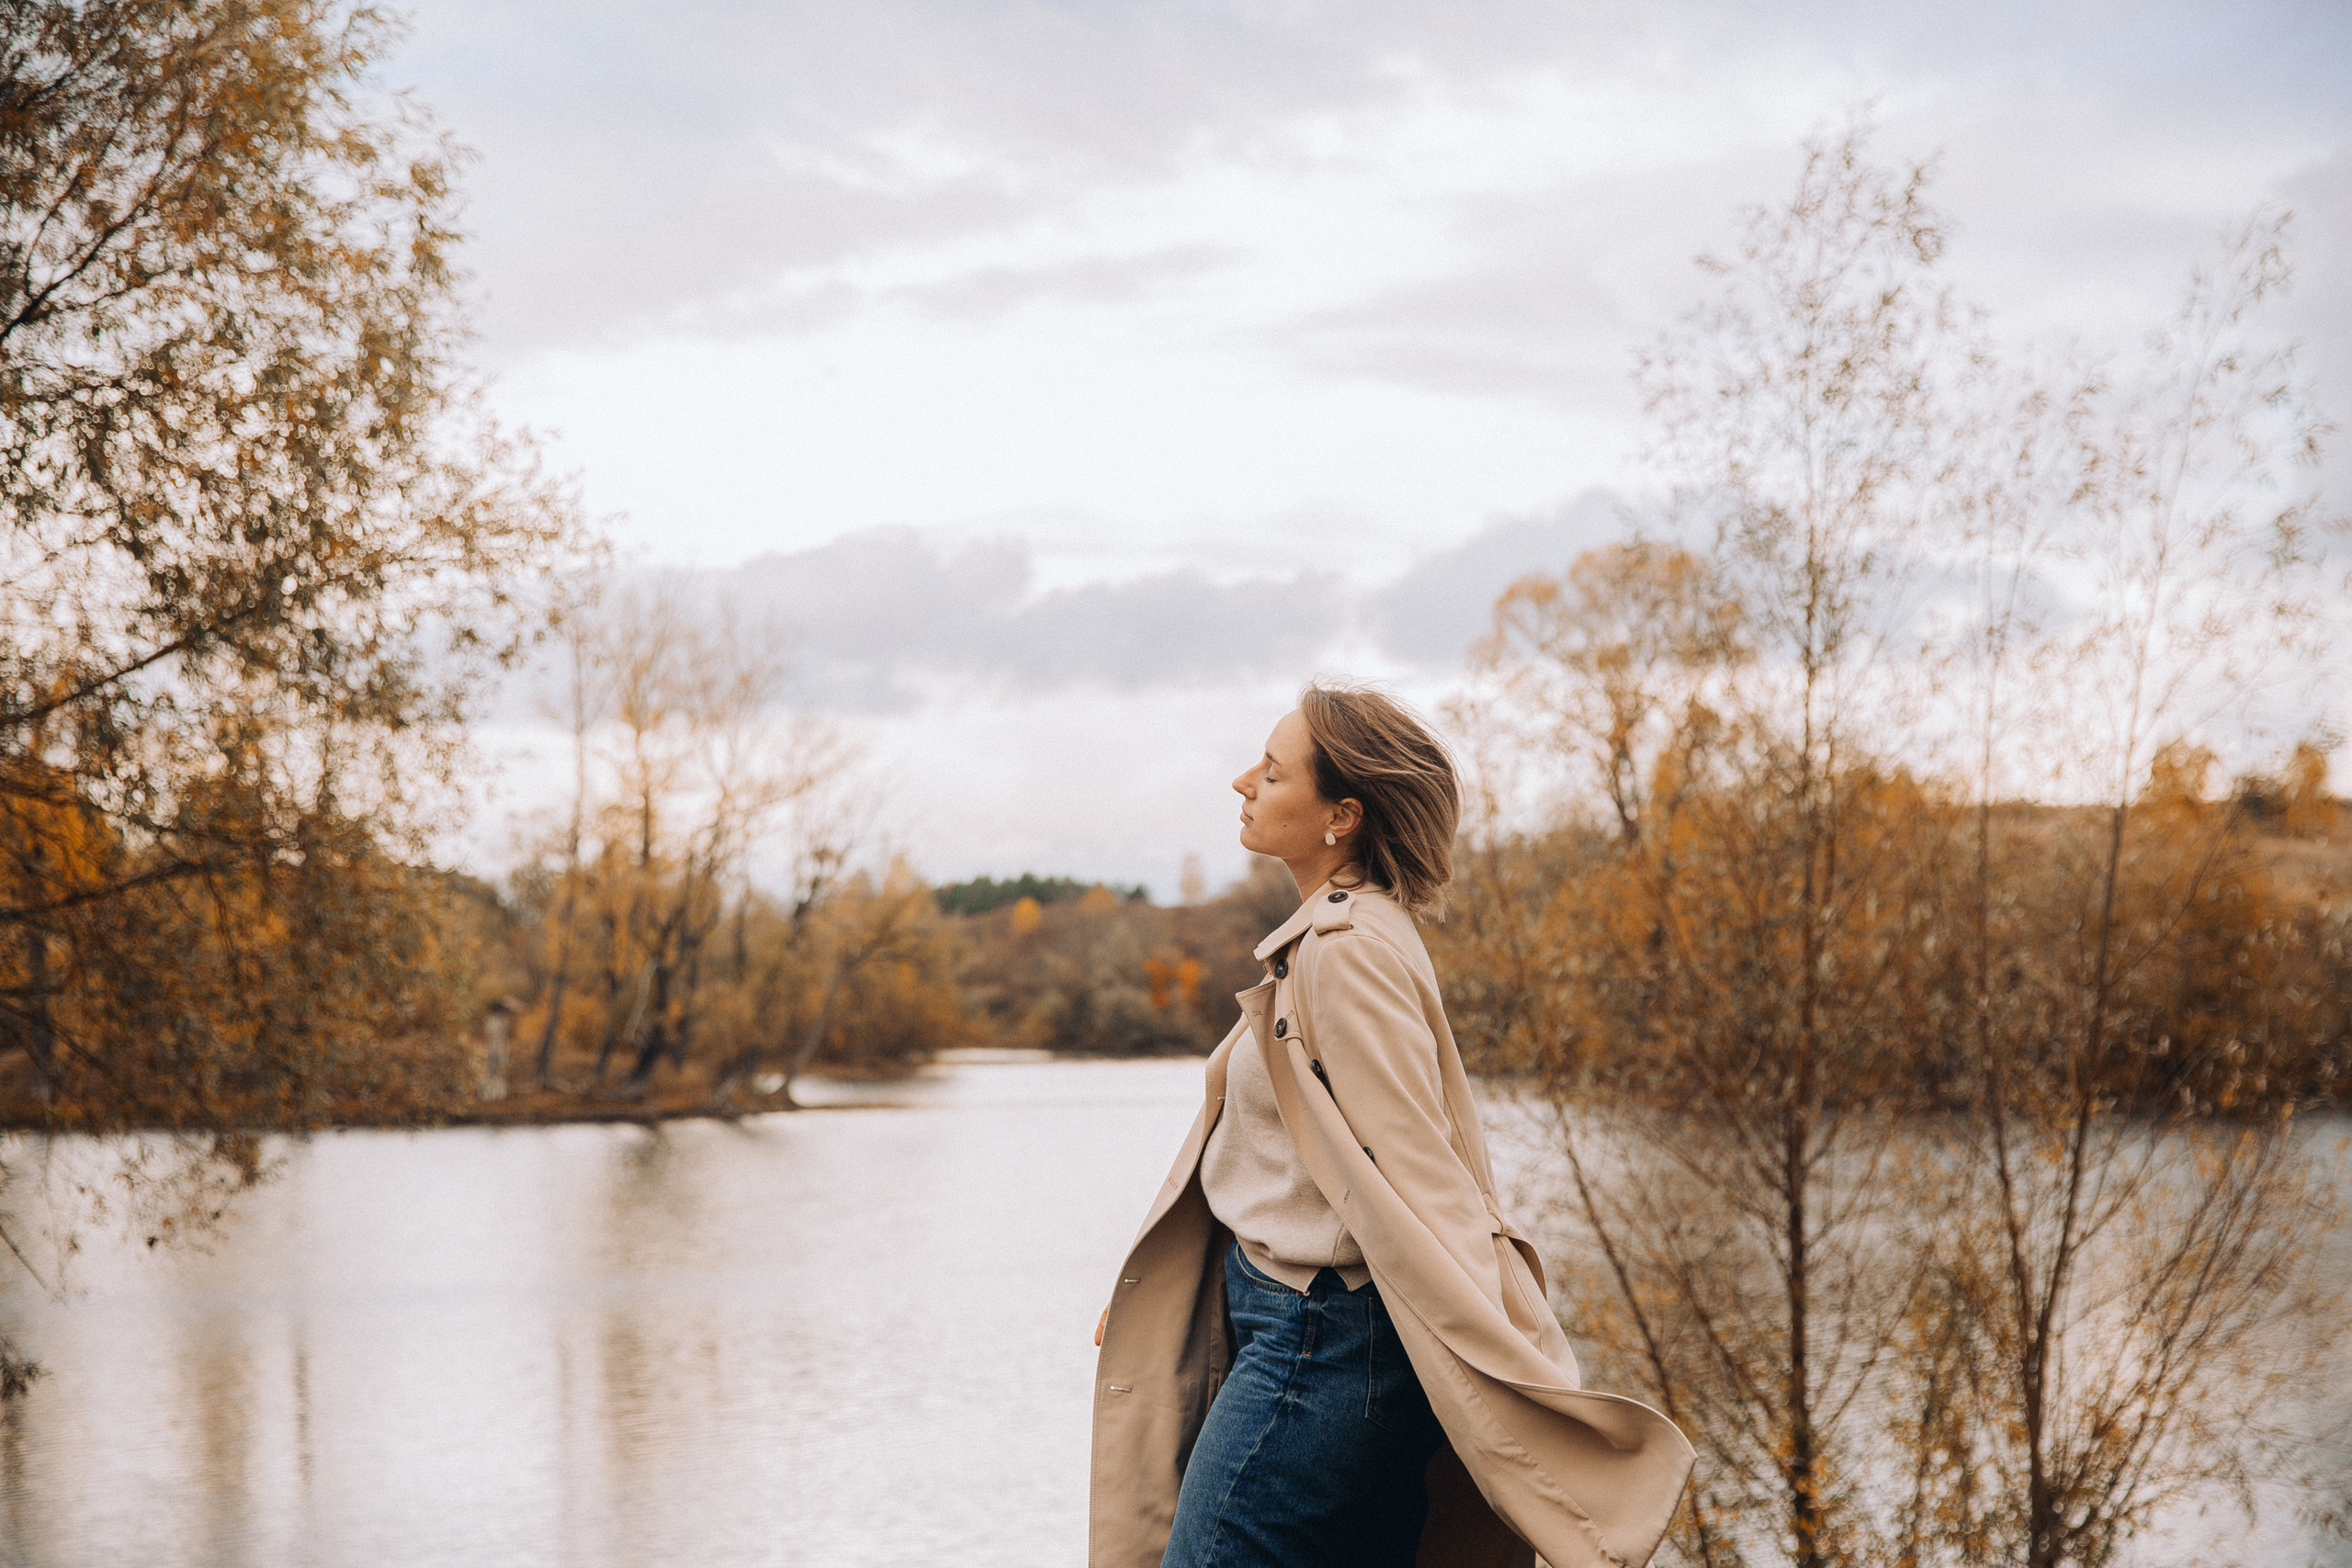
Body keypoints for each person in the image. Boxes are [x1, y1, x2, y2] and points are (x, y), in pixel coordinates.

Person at [1088, 682, 1693, 1568]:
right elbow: (1285, 1158)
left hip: (1321, 1344)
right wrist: (1164, 1300)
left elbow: (1420, 1165)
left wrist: (1512, 1360)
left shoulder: (1348, 954)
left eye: (1270, 769)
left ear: (1341, 814)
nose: (1239, 783)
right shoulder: (1338, 934)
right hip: (1291, 1321)